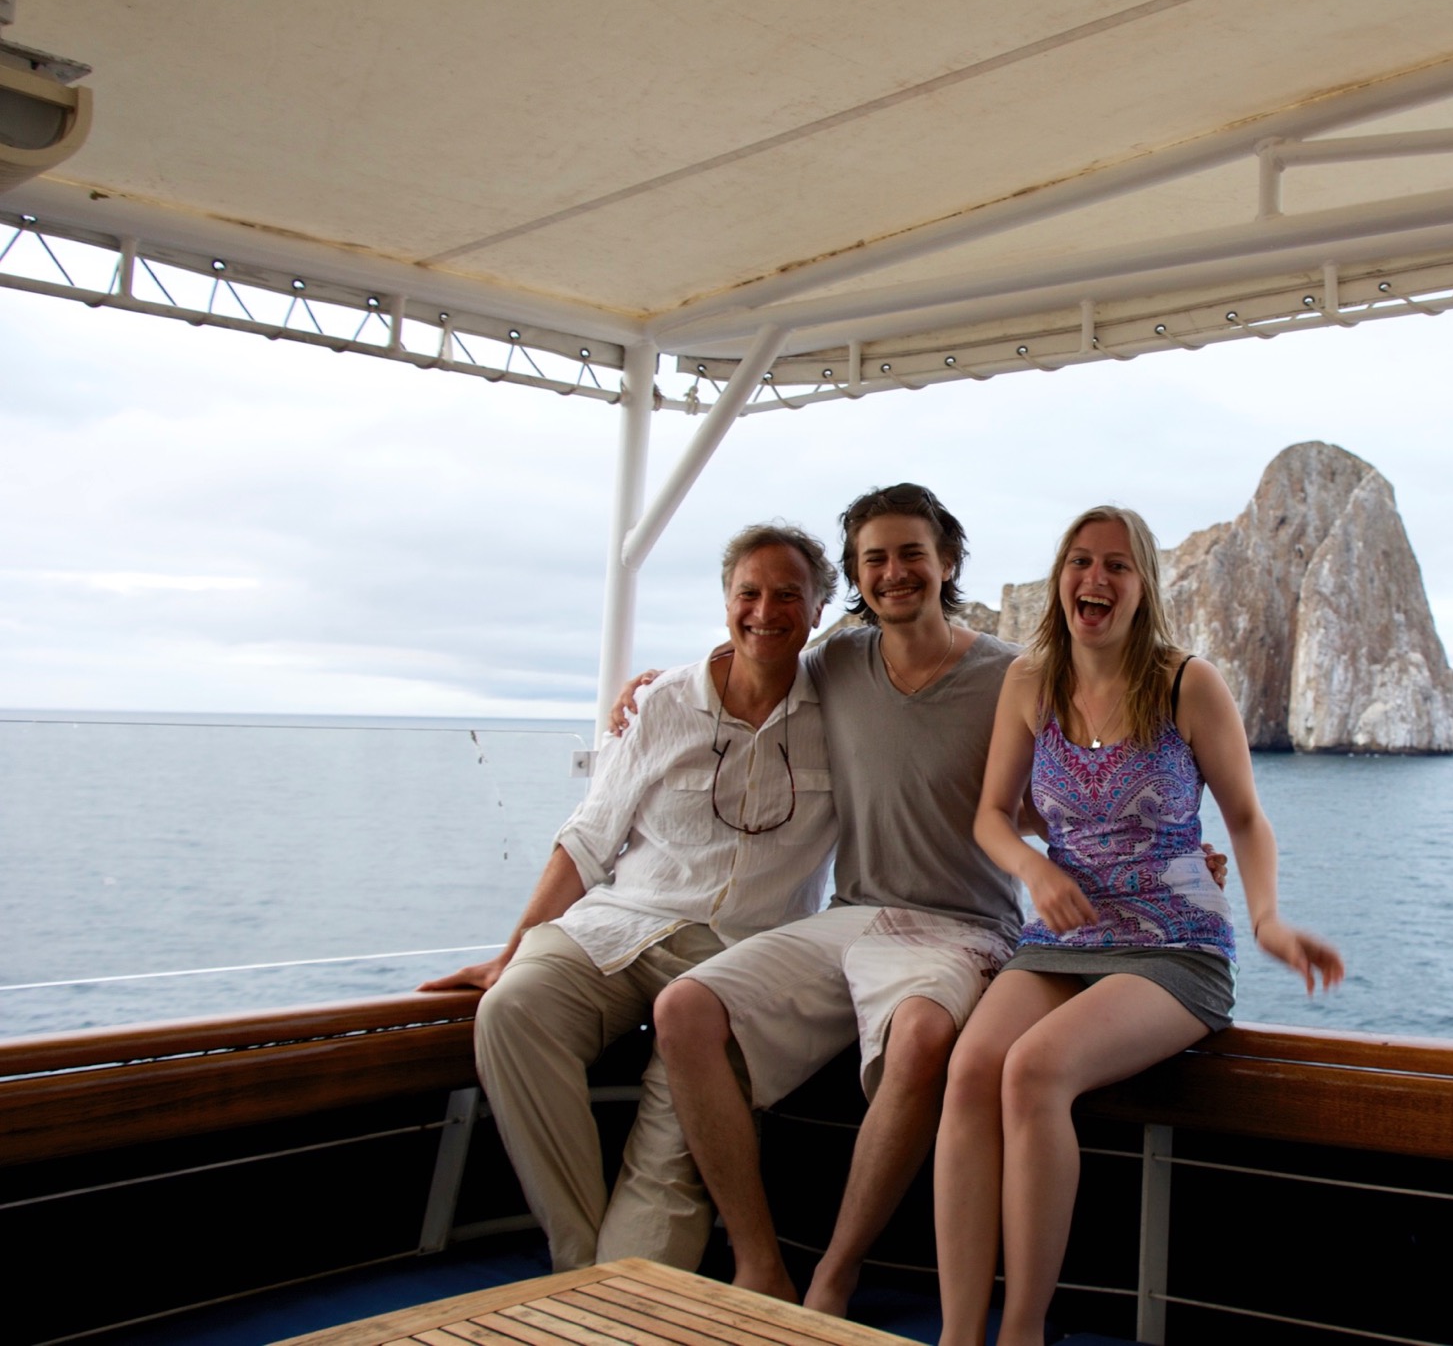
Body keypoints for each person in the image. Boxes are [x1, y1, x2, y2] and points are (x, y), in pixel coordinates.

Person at [934, 505, 1345, 1346]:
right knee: (972, 1065)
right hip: (1065, 931)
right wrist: (1036, 869)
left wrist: (1266, 917)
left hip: (1172, 942)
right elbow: (990, 817)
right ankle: (956, 1331)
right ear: (1060, 579)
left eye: (1118, 565)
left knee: (1034, 1070)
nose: (1097, 578)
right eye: (1081, 561)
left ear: (1143, 584)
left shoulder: (1187, 683)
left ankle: (1020, 1332)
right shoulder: (1029, 684)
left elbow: (1245, 818)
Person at [635, 484, 1023, 1315]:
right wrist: (656, 688)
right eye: (873, 558)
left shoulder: (1012, 674)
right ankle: (758, 1263)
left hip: (966, 925)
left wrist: (1172, 855)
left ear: (946, 561)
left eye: (911, 553)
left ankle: (834, 1276)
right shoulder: (837, 661)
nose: (893, 572)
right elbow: (748, 662)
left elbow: (1081, 782)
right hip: (853, 912)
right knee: (683, 1011)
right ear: (855, 573)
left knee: (921, 1036)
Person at [419, 523, 840, 1273]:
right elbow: (589, 837)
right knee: (512, 1009)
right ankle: (584, 1264)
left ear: (817, 611)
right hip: (619, 927)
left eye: (788, 595)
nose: (765, 611)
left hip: (734, 961)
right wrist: (512, 949)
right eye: (748, 591)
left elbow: (920, 644)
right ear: (725, 601)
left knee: (665, 1176)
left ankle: (617, 1280)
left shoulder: (845, 713)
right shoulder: (664, 702)